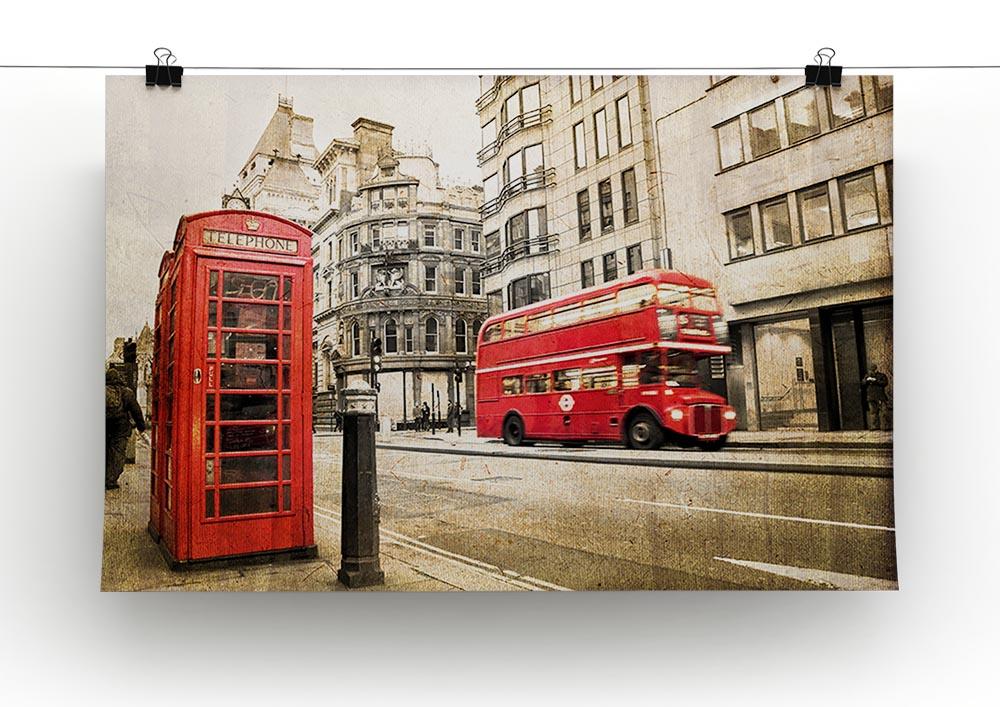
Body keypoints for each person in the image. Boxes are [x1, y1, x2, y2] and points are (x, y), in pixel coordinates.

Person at [105, 368, 146, 490]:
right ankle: (111, 480)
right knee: (117, 454)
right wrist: (141, 426)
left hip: (105, 426)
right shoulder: (127, 392)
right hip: (120, 428)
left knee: (105, 452)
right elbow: (136, 411)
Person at [861, 364, 890, 430]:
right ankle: (874, 426)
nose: (872, 372)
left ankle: (885, 426)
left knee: (883, 412)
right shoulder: (867, 376)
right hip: (871, 397)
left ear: (876, 370)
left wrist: (876, 381)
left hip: (880, 396)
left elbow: (885, 383)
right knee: (873, 412)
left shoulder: (881, 375)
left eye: (873, 370)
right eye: (871, 370)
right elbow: (863, 383)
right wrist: (867, 380)